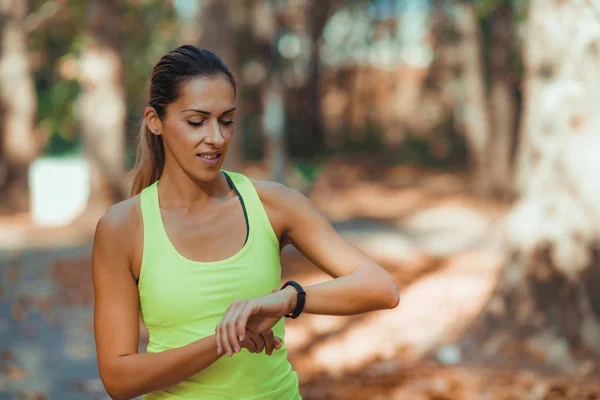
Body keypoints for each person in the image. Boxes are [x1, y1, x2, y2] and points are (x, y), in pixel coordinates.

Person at [92, 45, 400, 400]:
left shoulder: (273, 204)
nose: (217, 138)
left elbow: (381, 287)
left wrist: (287, 300)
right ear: (155, 121)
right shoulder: (123, 227)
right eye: (196, 121)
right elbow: (118, 378)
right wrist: (224, 340)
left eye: (226, 120)